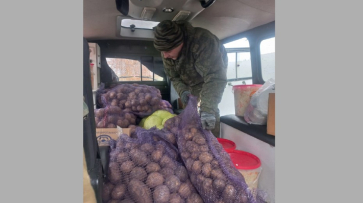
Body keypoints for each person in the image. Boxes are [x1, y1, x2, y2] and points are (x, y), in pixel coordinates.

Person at [153, 20, 228, 137]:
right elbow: (174, 77)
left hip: (211, 74)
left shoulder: (203, 41)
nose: (165, 55)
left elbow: (215, 78)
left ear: (180, 43)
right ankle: (192, 138)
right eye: (162, 51)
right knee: (190, 108)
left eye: (168, 51)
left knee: (208, 112)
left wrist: (207, 109)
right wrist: (183, 91)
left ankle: (213, 141)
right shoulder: (166, 51)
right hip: (189, 78)